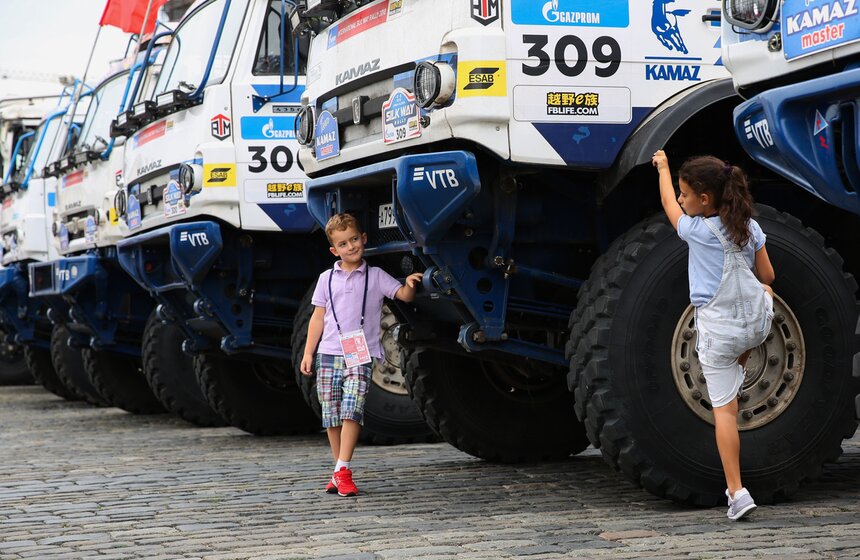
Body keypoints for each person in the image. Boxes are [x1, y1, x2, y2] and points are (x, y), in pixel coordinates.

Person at [652, 150, 775, 520]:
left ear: (703, 200)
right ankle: (740, 367)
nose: (679, 199)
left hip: (719, 333)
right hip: (757, 325)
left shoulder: (698, 231)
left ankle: (736, 492)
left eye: (684, 193)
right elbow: (767, 276)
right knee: (765, 296)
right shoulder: (749, 226)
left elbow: (666, 208)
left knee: (725, 410)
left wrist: (663, 168)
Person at [300, 213, 423, 497]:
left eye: (354, 239)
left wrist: (411, 282)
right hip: (329, 353)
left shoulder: (376, 276)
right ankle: (338, 471)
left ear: (364, 239)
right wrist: (309, 353)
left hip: (360, 353)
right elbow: (317, 318)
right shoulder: (325, 279)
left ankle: (343, 468)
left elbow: (402, 296)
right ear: (334, 250)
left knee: (352, 408)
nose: (351, 247)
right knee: (331, 414)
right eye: (343, 244)